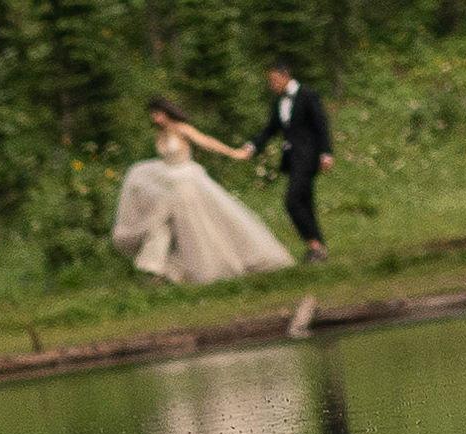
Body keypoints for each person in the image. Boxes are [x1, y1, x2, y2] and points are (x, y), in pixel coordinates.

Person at [112, 97, 295, 284]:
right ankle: (159, 270)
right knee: (169, 225)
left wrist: (233, 153)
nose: (154, 118)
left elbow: (206, 142)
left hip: (188, 184)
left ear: (166, 112)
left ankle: (210, 266)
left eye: (157, 113)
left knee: (200, 226)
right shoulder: (161, 133)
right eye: (152, 114)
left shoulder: (181, 129)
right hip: (171, 186)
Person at [243, 61, 334, 263]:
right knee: (305, 202)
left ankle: (314, 245)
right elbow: (270, 129)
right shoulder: (278, 102)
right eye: (270, 81)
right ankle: (318, 248)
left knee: (292, 201)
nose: (272, 84)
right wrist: (253, 146)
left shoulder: (307, 95)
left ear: (286, 76)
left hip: (309, 157)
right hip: (292, 159)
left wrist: (326, 152)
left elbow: (321, 123)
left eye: (275, 80)